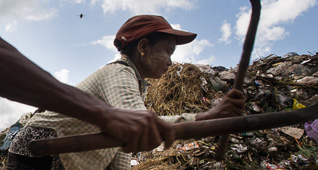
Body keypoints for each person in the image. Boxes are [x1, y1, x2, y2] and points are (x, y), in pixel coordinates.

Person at [6, 15, 245, 170]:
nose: (171, 62)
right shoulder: (119, 73)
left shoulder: (136, 84)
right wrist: (208, 117)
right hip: (39, 152)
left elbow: (122, 143)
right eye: (168, 52)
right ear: (143, 47)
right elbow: (139, 125)